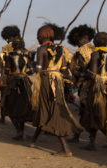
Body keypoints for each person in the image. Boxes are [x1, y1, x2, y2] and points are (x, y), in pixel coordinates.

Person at [30, 25, 83, 156]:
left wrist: (31, 63)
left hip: (47, 82)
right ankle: (33, 141)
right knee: (46, 108)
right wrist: (69, 89)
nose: (37, 38)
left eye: (38, 35)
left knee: (51, 111)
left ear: (41, 36)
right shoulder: (61, 49)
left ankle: (66, 149)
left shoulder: (41, 49)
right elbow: (65, 70)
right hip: (58, 82)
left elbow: (38, 69)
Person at [66, 24, 96, 142]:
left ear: (83, 39)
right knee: (88, 112)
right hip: (97, 84)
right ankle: (79, 136)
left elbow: (82, 66)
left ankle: (88, 139)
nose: (77, 43)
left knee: (86, 111)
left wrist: (76, 74)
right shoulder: (95, 48)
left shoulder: (82, 51)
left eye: (78, 40)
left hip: (87, 84)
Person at [1, 38, 33, 140]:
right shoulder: (27, 56)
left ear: (13, 45)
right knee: (22, 106)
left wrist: (3, 81)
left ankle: (18, 130)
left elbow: (6, 71)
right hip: (25, 83)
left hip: (13, 82)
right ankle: (21, 130)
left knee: (9, 105)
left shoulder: (9, 56)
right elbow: (31, 71)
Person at [0, 25, 21, 124]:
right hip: (21, 75)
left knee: (4, 97)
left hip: (9, 75)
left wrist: (1, 78)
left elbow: (3, 63)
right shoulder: (22, 46)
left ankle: (2, 118)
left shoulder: (6, 48)